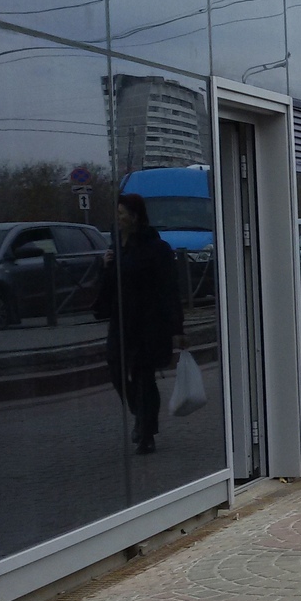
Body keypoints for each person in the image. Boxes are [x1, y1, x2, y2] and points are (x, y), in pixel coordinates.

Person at [94, 194, 184, 455]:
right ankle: (139, 415)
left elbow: (169, 289)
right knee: (117, 368)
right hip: (121, 322)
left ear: (135, 217)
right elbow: (108, 287)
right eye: (116, 214)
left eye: (122, 214)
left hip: (150, 323)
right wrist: (105, 266)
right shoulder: (116, 247)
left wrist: (177, 329)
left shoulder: (156, 248)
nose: (118, 219)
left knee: (144, 377)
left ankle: (146, 433)